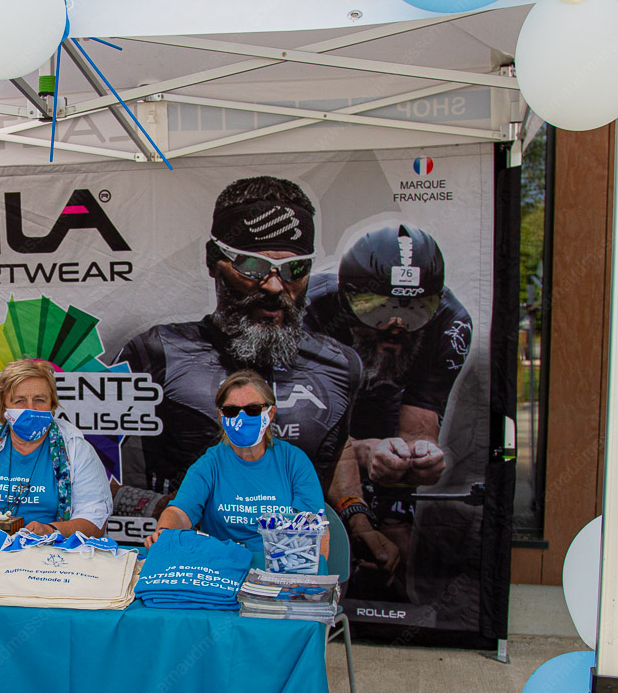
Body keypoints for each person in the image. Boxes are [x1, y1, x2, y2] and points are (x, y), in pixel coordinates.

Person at [114, 176, 397, 576]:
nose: (275, 286)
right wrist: (168, 511)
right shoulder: (155, 353)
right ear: (214, 261)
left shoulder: (339, 364)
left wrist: (358, 520)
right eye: (253, 266)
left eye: (295, 269)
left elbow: (336, 454)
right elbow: (101, 472)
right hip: (196, 563)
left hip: (291, 563)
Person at [305, 223, 472, 595]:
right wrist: (363, 456)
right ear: (347, 299)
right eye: (377, 310)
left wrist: (419, 458)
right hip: (318, 414)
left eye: (414, 312)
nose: (395, 326)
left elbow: (417, 430)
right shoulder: (312, 310)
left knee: (396, 546)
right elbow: (304, 434)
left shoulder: (449, 324)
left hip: (385, 411)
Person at [142, 371, 327, 560]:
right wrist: (165, 532)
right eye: (231, 410)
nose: (242, 418)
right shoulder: (210, 463)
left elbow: (315, 529)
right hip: (222, 566)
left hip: (279, 568)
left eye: (253, 409)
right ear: (221, 415)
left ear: (270, 413)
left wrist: (310, 573)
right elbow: (180, 512)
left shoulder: (293, 461)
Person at [0, 359, 112, 537]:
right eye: (19, 401)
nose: (30, 408)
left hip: (50, 551)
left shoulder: (76, 450)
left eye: (39, 400)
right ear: (4, 406)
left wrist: (50, 531)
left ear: (52, 405)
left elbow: (95, 521)